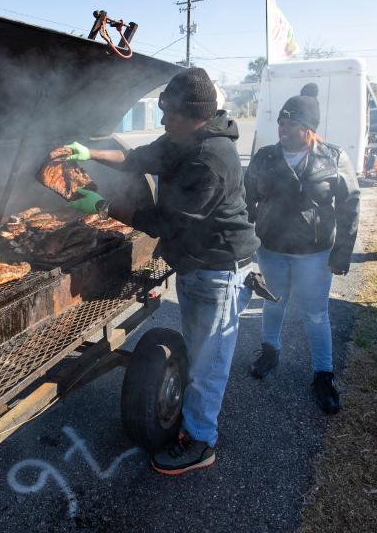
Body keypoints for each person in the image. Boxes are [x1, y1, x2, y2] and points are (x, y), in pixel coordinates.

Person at [63, 67, 260, 475]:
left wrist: (101, 206)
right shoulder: (183, 138)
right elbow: (139, 158)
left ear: (195, 114)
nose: (162, 118)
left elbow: (164, 222)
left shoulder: (209, 158)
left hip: (218, 270)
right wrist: (89, 152)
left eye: (169, 112)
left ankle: (202, 442)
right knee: (199, 348)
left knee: (209, 363)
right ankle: (191, 420)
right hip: (195, 264)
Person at [243, 93, 360, 414]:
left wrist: (342, 254)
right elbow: (245, 199)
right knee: (272, 302)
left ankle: (323, 374)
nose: (283, 129)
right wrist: (242, 243)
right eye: (281, 122)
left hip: (314, 252)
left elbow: (350, 206)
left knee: (315, 313)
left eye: (291, 123)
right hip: (272, 248)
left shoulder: (333, 158)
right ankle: (270, 350)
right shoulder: (264, 157)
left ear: (309, 128)